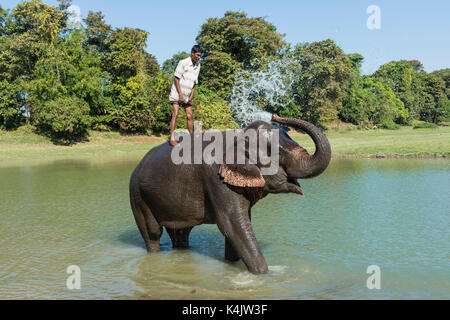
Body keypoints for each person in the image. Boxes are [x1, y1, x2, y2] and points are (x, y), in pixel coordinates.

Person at [168, 45, 202, 146]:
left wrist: (191, 96)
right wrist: (180, 95)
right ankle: (172, 139)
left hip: (187, 94)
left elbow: (195, 82)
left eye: (200, 56)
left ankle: (192, 138)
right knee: (175, 114)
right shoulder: (183, 63)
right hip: (177, 93)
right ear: (192, 54)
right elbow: (176, 79)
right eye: (197, 55)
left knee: (190, 115)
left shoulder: (198, 65)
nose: (199, 57)